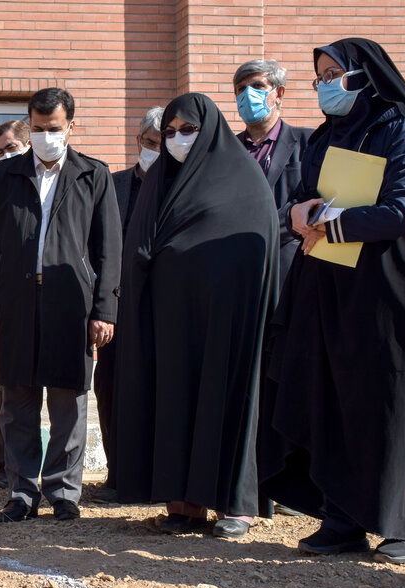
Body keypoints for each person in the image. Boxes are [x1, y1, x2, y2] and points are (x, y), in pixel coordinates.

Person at [259, 39, 405, 565]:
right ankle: (341, 520)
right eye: (318, 76)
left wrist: (329, 224)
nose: (324, 85)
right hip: (329, 292)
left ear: (364, 75)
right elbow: (303, 199)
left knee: (388, 405)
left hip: (386, 297)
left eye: (334, 73)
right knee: (331, 399)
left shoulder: (398, 130)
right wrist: (298, 214)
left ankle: (403, 525)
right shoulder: (324, 136)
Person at [107, 93, 278, 539]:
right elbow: (138, 247)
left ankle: (234, 507)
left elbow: (253, 250)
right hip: (170, 320)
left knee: (224, 403)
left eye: (188, 130)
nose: (177, 139)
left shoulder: (243, 180)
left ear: (210, 131)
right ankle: (183, 505)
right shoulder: (162, 179)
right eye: (170, 132)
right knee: (175, 403)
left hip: (225, 322)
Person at [0, 87, 122, 523]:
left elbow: (109, 250)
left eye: (53, 129)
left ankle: (63, 491)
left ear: (71, 126)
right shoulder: (4, 176)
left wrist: (105, 310)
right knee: (17, 400)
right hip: (16, 302)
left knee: (68, 401)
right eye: (37, 129)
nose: (45, 137)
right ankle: (21, 492)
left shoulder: (93, 175)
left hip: (70, 303)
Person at [91, 106, 163, 505]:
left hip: (164, 311)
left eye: (163, 144)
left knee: (159, 392)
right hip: (116, 310)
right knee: (113, 390)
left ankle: (158, 478)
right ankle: (118, 476)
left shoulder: (180, 186)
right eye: (150, 143)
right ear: (139, 142)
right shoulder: (112, 185)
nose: (155, 151)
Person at [233, 58, 314, 290]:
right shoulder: (225, 151)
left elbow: (315, 200)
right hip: (240, 273)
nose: (248, 94)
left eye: (257, 86)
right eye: (241, 89)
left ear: (278, 94)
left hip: (291, 271)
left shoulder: (309, 142)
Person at [0, 119, 31, 491]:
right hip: (13, 302)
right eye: (0, 150)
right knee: (11, 390)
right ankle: (6, 469)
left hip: (56, 300)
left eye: (11, 147)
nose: (4, 156)